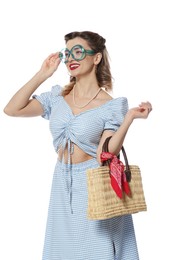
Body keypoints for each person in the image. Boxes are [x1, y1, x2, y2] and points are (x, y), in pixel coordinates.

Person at [4, 31, 152, 260]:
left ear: (96, 58)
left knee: (94, 250)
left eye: (78, 51)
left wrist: (129, 118)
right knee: (62, 251)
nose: (71, 57)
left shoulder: (111, 106)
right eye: (67, 53)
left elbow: (107, 151)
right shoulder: (57, 98)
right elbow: (12, 109)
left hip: (93, 183)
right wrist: (42, 74)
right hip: (62, 184)